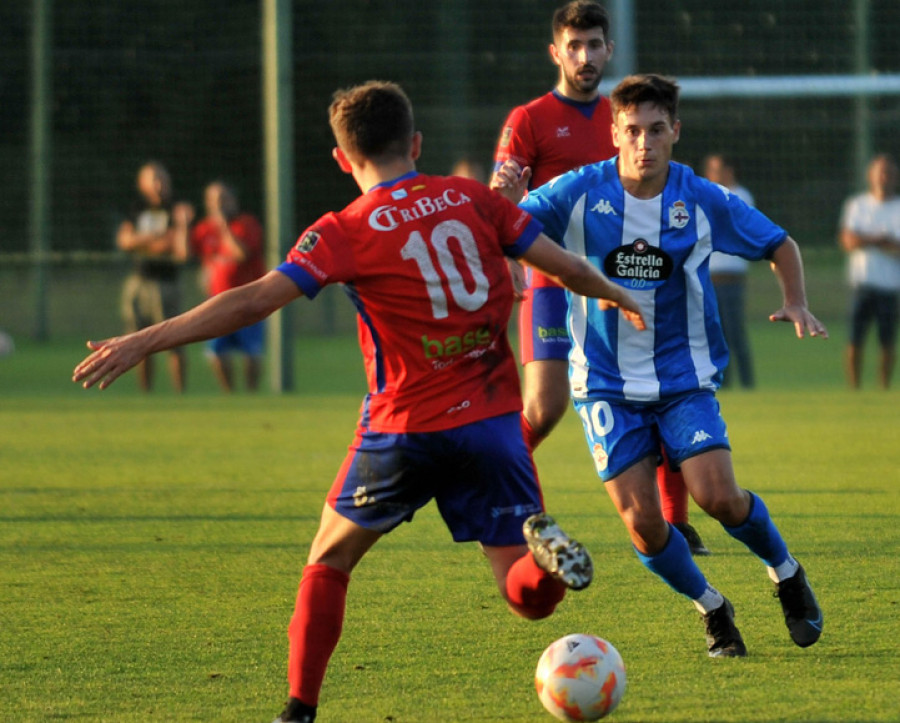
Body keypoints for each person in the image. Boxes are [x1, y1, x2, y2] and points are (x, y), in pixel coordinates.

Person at [73, 81, 645, 722]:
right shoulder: (473, 199)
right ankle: (545, 561)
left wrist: (146, 340)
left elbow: (255, 299)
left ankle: (298, 710)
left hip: (402, 427)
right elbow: (562, 265)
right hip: (491, 425)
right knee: (525, 597)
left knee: (330, 558)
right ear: (416, 143)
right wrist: (618, 295)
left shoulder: (343, 228)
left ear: (343, 159)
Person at [494, 73, 826, 658]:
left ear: (675, 131)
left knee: (717, 497)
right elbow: (506, 225)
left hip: (682, 377)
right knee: (643, 524)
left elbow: (779, 243)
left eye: (655, 130)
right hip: (603, 384)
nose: (644, 142)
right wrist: (506, 198)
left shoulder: (699, 199)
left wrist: (794, 298)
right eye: (632, 131)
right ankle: (713, 608)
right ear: (615, 134)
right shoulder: (578, 191)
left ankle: (785, 571)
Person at [491, 0, 710, 556]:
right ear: (556, 52)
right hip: (552, 285)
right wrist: (508, 258)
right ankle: (498, 500)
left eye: (594, 45)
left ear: (609, 50)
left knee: (663, 392)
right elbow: (503, 202)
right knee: (543, 408)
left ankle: (676, 523)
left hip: (629, 284)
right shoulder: (529, 119)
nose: (584, 56)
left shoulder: (627, 115)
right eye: (574, 45)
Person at [116, 161, 191, 392]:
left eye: (163, 178)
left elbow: (180, 250)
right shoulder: (136, 208)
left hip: (166, 284)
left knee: (174, 340)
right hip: (139, 282)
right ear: (142, 183)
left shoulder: (177, 209)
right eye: (153, 179)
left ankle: (180, 394)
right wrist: (157, 239)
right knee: (138, 340)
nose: (159, 184)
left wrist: (143, 240)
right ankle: (146, 394)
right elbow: (125, 241)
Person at [186, 182, 266, 392]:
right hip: (217, 301)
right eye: (214, 200)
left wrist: (223, 227)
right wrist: (182, 224)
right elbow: (185, 253)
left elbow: (241, 254)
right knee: (217, 352)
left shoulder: (246, 224)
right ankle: (229, 394)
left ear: (233, 200)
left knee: (251, 352)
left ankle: (251, 393)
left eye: (223, 199)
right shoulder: (203, 229)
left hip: (249, 299)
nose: (219, 204)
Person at [838, 153, 900, 389]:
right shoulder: (857, 205)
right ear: (871, 176)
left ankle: (883, 387)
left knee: (887, 341)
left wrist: (868, 240)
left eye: (889, 173)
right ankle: (855, 387)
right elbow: (848, 240)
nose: (884, 177)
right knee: (855, 339)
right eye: (880, 172)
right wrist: (881, 240)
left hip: (889, 285)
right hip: (862, 283)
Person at [703, 153, 756, 390]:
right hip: (710, 278)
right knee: (715, 334)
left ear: (729, 171)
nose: (713, 175)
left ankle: (747, 383)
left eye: (718, 169)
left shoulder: (741, 195)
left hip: (732, 278)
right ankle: (723, 383)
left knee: (735, 333)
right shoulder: (705, 194)